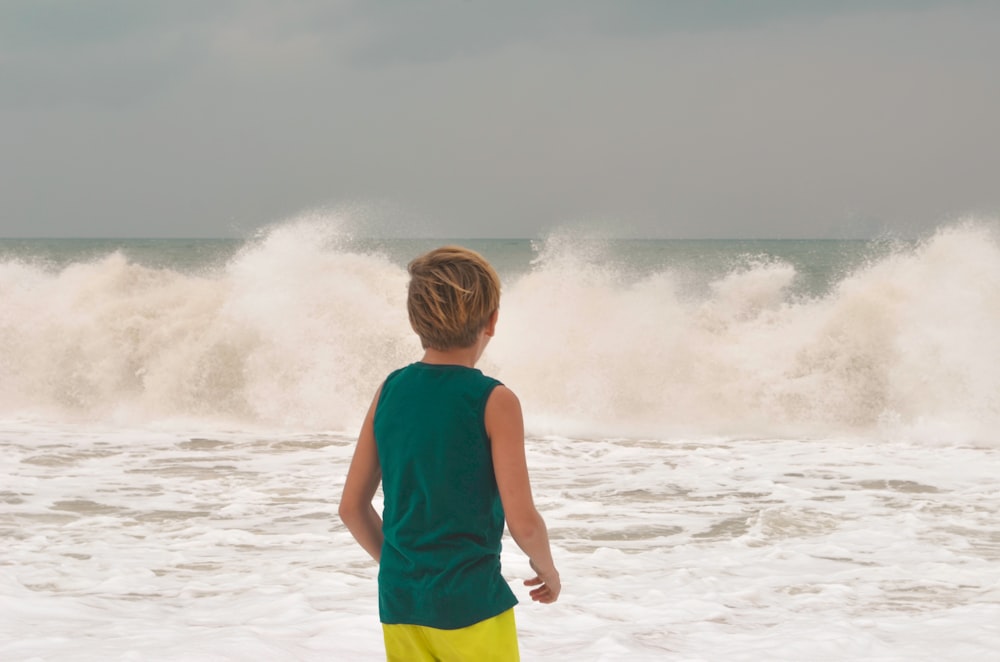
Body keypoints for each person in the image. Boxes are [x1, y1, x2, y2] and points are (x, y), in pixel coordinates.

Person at [339, 245, 560, 661]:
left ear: (414, 320)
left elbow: (352, 507)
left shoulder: (389, 389)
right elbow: (523, 521)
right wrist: (546, 569)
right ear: (492, 320)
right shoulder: (494, 400)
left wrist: (403, 570)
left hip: (401, 603)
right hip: (471, 602)